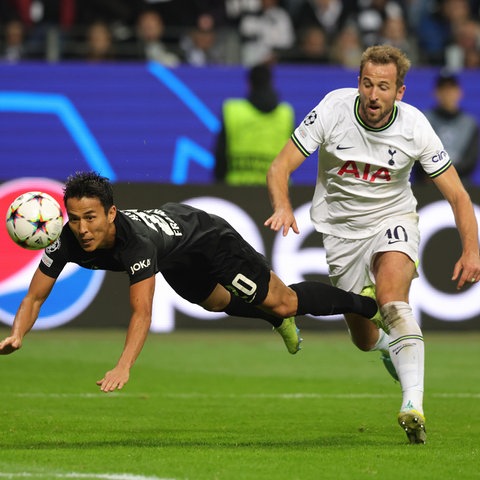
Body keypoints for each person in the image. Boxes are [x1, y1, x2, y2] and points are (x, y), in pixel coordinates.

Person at [264, 45, 480, 444]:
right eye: (367, 84)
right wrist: (282, 205)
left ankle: (412, 405)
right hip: (341, 236)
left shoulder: (415, 126)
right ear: (358, 83)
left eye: (383, 86)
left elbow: (459, 197)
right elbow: (279, 167)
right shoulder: (332, 110)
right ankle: (387, 349)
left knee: (393, 301)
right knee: (363, 339)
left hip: (392, 221)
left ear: (399, 92)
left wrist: (472, 250)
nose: (373, 94)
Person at [0, 171, 383, 394]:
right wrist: (19, 333)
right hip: (176, 254)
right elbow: (34, 297)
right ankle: (274, 321)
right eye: (75, 218)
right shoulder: (65, 239)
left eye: (92, 218)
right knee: (215, 303)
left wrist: (123, 366)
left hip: (206, 239)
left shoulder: (137, 245)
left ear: (111, 213)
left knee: (282, 300)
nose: (83, 229)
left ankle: (368, 304)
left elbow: (142, 312)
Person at [214, 63, 294, 185]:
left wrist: (219, 184)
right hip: (277, 190)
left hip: (237, 190)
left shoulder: (233, 111)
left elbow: (221, 154)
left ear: (249, 84)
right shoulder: (286, 113)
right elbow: (294, 155)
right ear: (271, 83)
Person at [423, 72, 479, 183]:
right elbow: (417, 156)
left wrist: (445, 174)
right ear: (436, 93)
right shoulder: (424, 120)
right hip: (429, 184)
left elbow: (470, 161)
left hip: (462, 183)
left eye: (451, 89)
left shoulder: (470, 124)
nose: (447, 93)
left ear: (459, 92)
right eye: (443, 89)